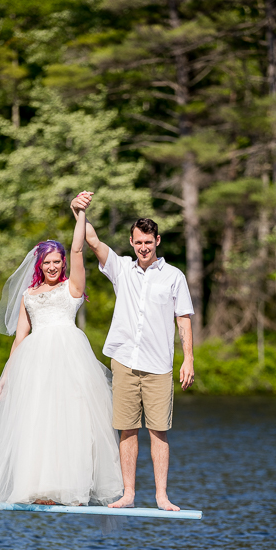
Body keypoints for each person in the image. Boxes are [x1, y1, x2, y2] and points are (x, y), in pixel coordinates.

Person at [0, 192, 123, 507]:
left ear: (63, 263)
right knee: (39, 421)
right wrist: (7, 377)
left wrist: (78, 213)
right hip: (34, 361)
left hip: (69, 357)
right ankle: (38, 488)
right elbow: (20, 336)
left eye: (56, 261)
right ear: (40, 264)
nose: (52, 266)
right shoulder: (29, 294)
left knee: (73, 419)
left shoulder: (72, 286)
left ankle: (73, 489)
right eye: (46, 262)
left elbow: (78, 247)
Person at [84, 206, 195, 511]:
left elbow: (183, 318)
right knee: (127, 428)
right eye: (138, 242)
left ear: (157, 240)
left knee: (159, 431)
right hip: (124, 362)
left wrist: (189, 360)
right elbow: (92, 240)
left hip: (159, 365)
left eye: (149, 241)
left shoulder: (174, 277)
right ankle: (129, 493)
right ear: (131, 243)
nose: (144, 247)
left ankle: (161, 496)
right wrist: (79, 211)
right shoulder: (121, 268)